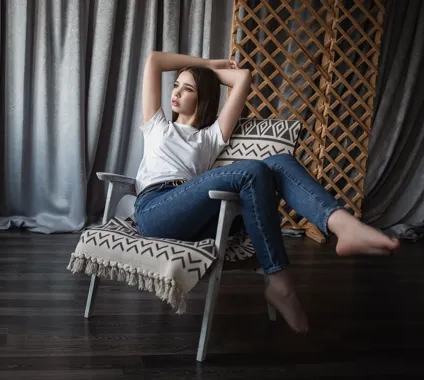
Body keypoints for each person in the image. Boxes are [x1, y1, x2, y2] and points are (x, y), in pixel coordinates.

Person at [132, 51, 400, 333]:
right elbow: (153, 60)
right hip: (155, 209)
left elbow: (243, 77)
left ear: (203, 98)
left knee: (278, 162)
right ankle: (280, 282)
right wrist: (208, 65)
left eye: (188, 89)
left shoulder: (211, 136)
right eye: (176, 86)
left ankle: (341, 224)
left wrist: (210, 75)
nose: (176, 93)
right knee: (254, 170)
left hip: (197, 215)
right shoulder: (156, 126)